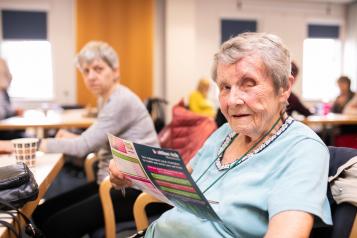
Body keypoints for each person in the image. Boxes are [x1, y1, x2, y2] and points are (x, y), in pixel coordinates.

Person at [109, 32, 332, 237]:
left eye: (248, 84)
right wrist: (132, 174)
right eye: (225, 87)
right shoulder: (226, 132)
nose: (232, 101)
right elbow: (177, 185)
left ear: (284, 88)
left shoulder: (303, 150)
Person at [32, 41, 168, 237]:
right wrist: (74, 137)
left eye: (98, 69)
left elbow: (82, 147)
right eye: (86, 71)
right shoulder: (106, 98)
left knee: (54, 225)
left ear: (115, 71)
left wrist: (37, 144)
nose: (91, 76)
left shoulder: (121, 100)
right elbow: (97, 139)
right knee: (42, 211)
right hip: (111, 182)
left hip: (136, 189)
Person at [0, 58, 24, 139]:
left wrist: (14, 111)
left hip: (7, 130)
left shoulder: (3, 92)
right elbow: (2, 114)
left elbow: (6, 111)